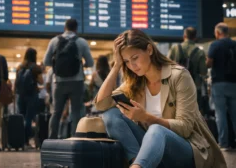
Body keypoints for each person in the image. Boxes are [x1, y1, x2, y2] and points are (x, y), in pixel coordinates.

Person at [94, 29, 226, 168]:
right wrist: (116, 66)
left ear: (149, 49)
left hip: (186, 149)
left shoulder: (179, 76)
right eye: (126, 61)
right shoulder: (135, 83)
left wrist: (146, 117)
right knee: (111, 114)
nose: (132, 66)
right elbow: (101, 104)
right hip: (151, 152)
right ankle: (137, 163)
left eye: (135, 58)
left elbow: (185, 128)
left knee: (157, 129)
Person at [43, 18, 94, 138]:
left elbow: (46, 62)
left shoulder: (54, 41)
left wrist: (58, 63)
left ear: (64, 27)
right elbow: (91, 63)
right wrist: (81, 64)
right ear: (76, 29)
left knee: (56, 112)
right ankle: (76, 139)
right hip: (77, 82)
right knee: (76, 112)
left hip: (59, 82)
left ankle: (51, 139)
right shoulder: (81, 42)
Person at [207, 22, 236, 150]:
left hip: (219, 83)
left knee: (221, 114)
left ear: (218, 33)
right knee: (235, 114)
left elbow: (209, 63)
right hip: (234, 83)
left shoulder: (215, 44)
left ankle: (224, 143)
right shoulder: (234, 44)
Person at [168, 27, 207, 113]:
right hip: (194, 87)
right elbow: (203, 71)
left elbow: (166, 66)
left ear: (184, 36)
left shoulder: (175, 48)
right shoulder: (200, 52)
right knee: (194, 112)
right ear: (195, 37)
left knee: (177, 112)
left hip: (176, 85)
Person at [15, 48, 43, 147]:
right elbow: (41, 81)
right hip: (31, 95)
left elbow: (16, 83)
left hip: (20, 96)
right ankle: (27, 140)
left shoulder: (20, 67)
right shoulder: (35, 67)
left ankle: (21, 141)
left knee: (21, 118)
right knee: (29, 118)